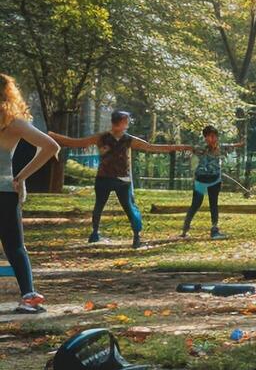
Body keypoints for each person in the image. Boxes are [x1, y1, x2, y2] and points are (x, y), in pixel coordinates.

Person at [53, 110, 188, 249]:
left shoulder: (128, 139)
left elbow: (151, 147)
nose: (127, 123)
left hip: (122, 180)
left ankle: (136, 236)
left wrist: (179, 147)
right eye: (126, 121)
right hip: (104, 177)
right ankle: (95, 233)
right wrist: (53, 136)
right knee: (99, 206)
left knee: (129, 207)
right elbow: (77, 143)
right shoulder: (102, 137)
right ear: (120, 122)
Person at [1, 74, 62, 313]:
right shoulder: (14, 122)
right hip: (5, 190)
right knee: (15, 245)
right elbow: (52, 147)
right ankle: (28, 295)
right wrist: (22, 176)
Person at [180, 125, 245, 239]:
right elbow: (185, 148)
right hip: (201, 180)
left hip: (215, 180)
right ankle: (185, 229)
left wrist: (242, 142)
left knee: (213, 204)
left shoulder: (221, 147)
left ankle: (214, 230)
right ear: (205, 137)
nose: (213, 138)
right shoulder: (200, 148)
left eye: (215, 136)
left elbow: (235, 145)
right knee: (195, 204)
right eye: (210, 136)